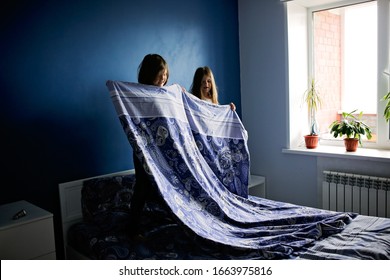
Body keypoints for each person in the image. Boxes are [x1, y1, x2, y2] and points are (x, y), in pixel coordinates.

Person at [129, 54, 170, 237]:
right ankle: (132, 227)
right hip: (143, 150)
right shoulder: (139, 95)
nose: (163, 78)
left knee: (166, 186)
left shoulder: (167, 94)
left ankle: (169, 218)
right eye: (160, 74)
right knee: (142, 187)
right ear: (149, 74)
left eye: (165, 74)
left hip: (163, 150)